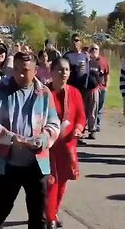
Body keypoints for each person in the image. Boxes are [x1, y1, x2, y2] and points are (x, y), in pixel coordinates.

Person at [0, 51, 60, 229]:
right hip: (7, 164)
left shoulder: (44, 93)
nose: (19, 74)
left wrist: (43, 139)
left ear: (35, 70)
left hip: (36, 165)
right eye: (16, 69)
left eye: (25, 70)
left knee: (37, 216)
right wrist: (10, 138)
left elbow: (54, 123)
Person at [45, 58, 85, 229]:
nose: (64, 73)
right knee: (51, 181)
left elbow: (81, 117)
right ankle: (49, 217)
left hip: (67, 145)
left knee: (62, 181)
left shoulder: (74, 92)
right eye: (60, 69)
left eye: (67, 70)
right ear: (51, 71)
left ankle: (53, 211)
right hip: (48, 146)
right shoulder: (44, 92)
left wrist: (78, 128)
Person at [94, 45, 110, 132]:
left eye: (96, 49)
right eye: (92, 48)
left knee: (99, 107)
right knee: (90, 108)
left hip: (101, 88)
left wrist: (106, 86)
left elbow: (107, 74)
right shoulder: (88, 60)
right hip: (91, 89)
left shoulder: (103, 61)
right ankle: (89, 125)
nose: (94, 50)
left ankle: (98, 124)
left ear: (99, 50)